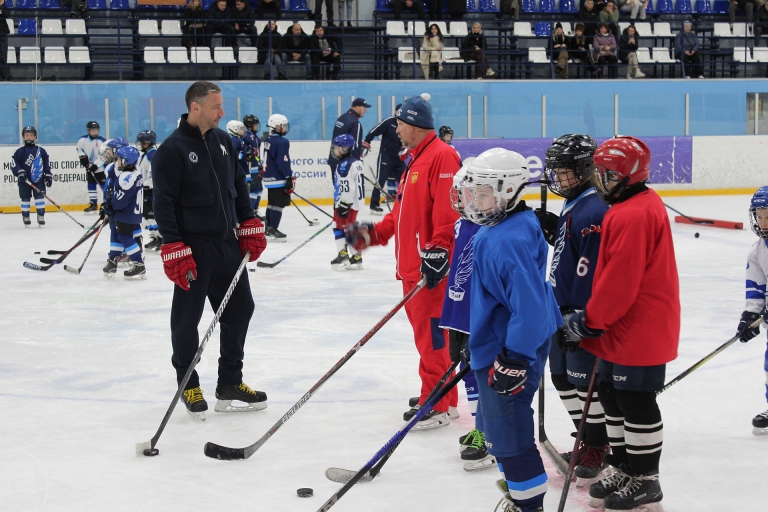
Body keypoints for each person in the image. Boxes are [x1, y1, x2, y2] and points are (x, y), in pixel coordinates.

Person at [562, 136, 679, 512]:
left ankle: (647, 478)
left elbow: (620, 279)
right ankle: (625, 467)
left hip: (639, 325)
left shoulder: (633, 213)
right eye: (599, 173)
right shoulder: (628, 204)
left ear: (632, 175)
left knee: (635, 399)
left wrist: (590, 320)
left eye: (610, 174)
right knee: (612, 393)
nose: (600, 182)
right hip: (620, 325)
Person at [151, 81, 267, 420]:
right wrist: (174, 245)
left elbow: (237, 185)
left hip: (226, 244)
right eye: (217, 106)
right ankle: (188, 382)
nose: (222, 112)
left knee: (240, 309)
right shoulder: (171, 150)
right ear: (196, 107)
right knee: (187, 321)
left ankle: (230, 382)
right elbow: (164, 203)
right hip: (193, 249)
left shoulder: (223, 141)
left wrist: (248, 221)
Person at [345, 93, 461, 430]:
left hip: (430, 269)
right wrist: (374, 234)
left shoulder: (441, 157)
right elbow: (401, 213)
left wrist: (439, 250)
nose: (395, 128)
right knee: (428, 338)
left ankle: (436, 403)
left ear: (413, 124)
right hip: (412, 267)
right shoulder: (416, 158)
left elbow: (447, 212)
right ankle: (443, 395)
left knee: (432, 339)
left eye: (399, 123)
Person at [458, 148, 560, 512]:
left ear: (508, 191)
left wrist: (514, 358)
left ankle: (528, 505)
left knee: (509, 435)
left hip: (511, 350)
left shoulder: (505, 240)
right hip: (499, 343)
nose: (475, 200)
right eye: (475, 192)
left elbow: (529, 307)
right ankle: (521, 493)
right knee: (498, 430)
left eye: (484, 193)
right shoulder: (509, 225)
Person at [537, 134, 611, 487]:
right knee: (561, 379)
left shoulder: (594, 207)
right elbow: (572, 254)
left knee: (585, 384)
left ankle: (598, 444)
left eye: (565, 172)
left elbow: (593, 269)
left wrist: (579, 318)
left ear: (585, 170)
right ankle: (585, 436)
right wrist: (555, 232)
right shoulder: (575, 202)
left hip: (577, 314)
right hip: (558, 307)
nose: (559, 178)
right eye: (556, 171)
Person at [440, 165, 492, 472]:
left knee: (481, 370)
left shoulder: (492, 229)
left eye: (466, 194)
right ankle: (479, 428)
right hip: (459, 312)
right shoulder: (462, 225)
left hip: (479, 315)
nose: (459, 200)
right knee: (465, 369)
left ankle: (489, 433)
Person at [735, 186, 768, 436]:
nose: (763, 220)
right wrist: (750, 316)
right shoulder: (758, 250)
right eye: (759, 214)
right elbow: (756, 288)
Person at [102, 146, 147, 280]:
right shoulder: (134, 173)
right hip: (132, 213)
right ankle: (113, 260)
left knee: (125, 237)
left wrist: (111, 205)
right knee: (116, 234)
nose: (117, 162)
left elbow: (122, 200)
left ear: (126, 161)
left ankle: (139, 264)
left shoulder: (126, 177)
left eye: (120, 160)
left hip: (126, 214)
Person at [330, 134, 365, 270]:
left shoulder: (344, 165)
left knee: (345, 228)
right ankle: (350, 255)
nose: (335, 150)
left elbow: (348, 187)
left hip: (346, 203)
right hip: (353, 203)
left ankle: (350, 255)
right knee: (340, 226)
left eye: (337, 148)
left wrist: (344, 204)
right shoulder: (356, 162)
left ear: (345, 148)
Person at [363, 103, 405, 215]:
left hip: (399, 158)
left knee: (405, 180)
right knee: (380, 180)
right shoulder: (388, 122)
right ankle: (374, 204)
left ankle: (406, 203)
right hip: (386, 157)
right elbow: (373, 132)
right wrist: (366, 142)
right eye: (399, 111)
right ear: (396, 112)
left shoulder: (406, 124)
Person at [262, 113, 294, 241]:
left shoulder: (268, 139)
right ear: (277, 126)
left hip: (269, 177)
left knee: (271, 204)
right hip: (278, 178)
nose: (285, 128)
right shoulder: (282, 142)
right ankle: (272, 229)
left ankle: (268, 228)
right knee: (278, 205)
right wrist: (288, 176)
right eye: (284, 126)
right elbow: (283, 161)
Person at [11, 126, 51, 228]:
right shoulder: (19, 151)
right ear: (23, 137)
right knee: (25, 198)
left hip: (38, 179)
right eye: (27, 135)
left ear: (35, 137)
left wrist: (48, 175)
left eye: (31, 135)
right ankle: (26, 216)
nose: (29, 137)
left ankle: (41, 215)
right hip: (24, 181)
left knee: (39, 198)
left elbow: (46, 164)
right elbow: (14, 163)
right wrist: (20, 172)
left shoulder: (41, 151)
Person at [328, 97, 369, 182]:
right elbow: (355, 147)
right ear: (357, 107)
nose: (365, 110)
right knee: (349, 194)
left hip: (334, 161)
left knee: (338, 192)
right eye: (364, 108)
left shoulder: (341, 118)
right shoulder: (355, 123)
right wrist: (358, 163)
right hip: (346, 165)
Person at [136, 130, 161, 252]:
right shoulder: (146, 154)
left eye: (143, 142)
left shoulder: (153, 155)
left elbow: (154, 174)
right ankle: (155, 237)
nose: (141, 144)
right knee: (146, 216)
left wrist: (146, 185)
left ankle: (162, 238)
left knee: (152, 215)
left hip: (151, 191)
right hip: (145, 189)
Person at [76, 121, 106, 214]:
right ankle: (93, 203)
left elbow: (104, 155)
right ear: (88, 131)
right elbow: (79, 149)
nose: (95, 132)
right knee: (91, 185)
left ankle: (106, 203)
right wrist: (82, 157)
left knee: (105, 186)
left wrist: (95, 165)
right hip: (89, 166)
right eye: (93, 131)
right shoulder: (82, 140)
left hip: (101, 168)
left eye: (96, 130)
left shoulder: (102, 141)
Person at [242, 114, 264, 217]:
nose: (256, 127)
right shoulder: (246, 136)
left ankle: (254, 211)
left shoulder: (254, 137)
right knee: (252, 191)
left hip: (256, 168)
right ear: (249, 125)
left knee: (259, 189)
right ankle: (249, 213)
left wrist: (259, 164)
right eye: (255, 125)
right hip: (250, 169)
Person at [0, 0, 11, 82]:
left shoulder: (2, 6)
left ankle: (5, 75)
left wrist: (1, 5)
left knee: (3, 55)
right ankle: (7, 75)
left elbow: (7, 14)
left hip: (2, 33)